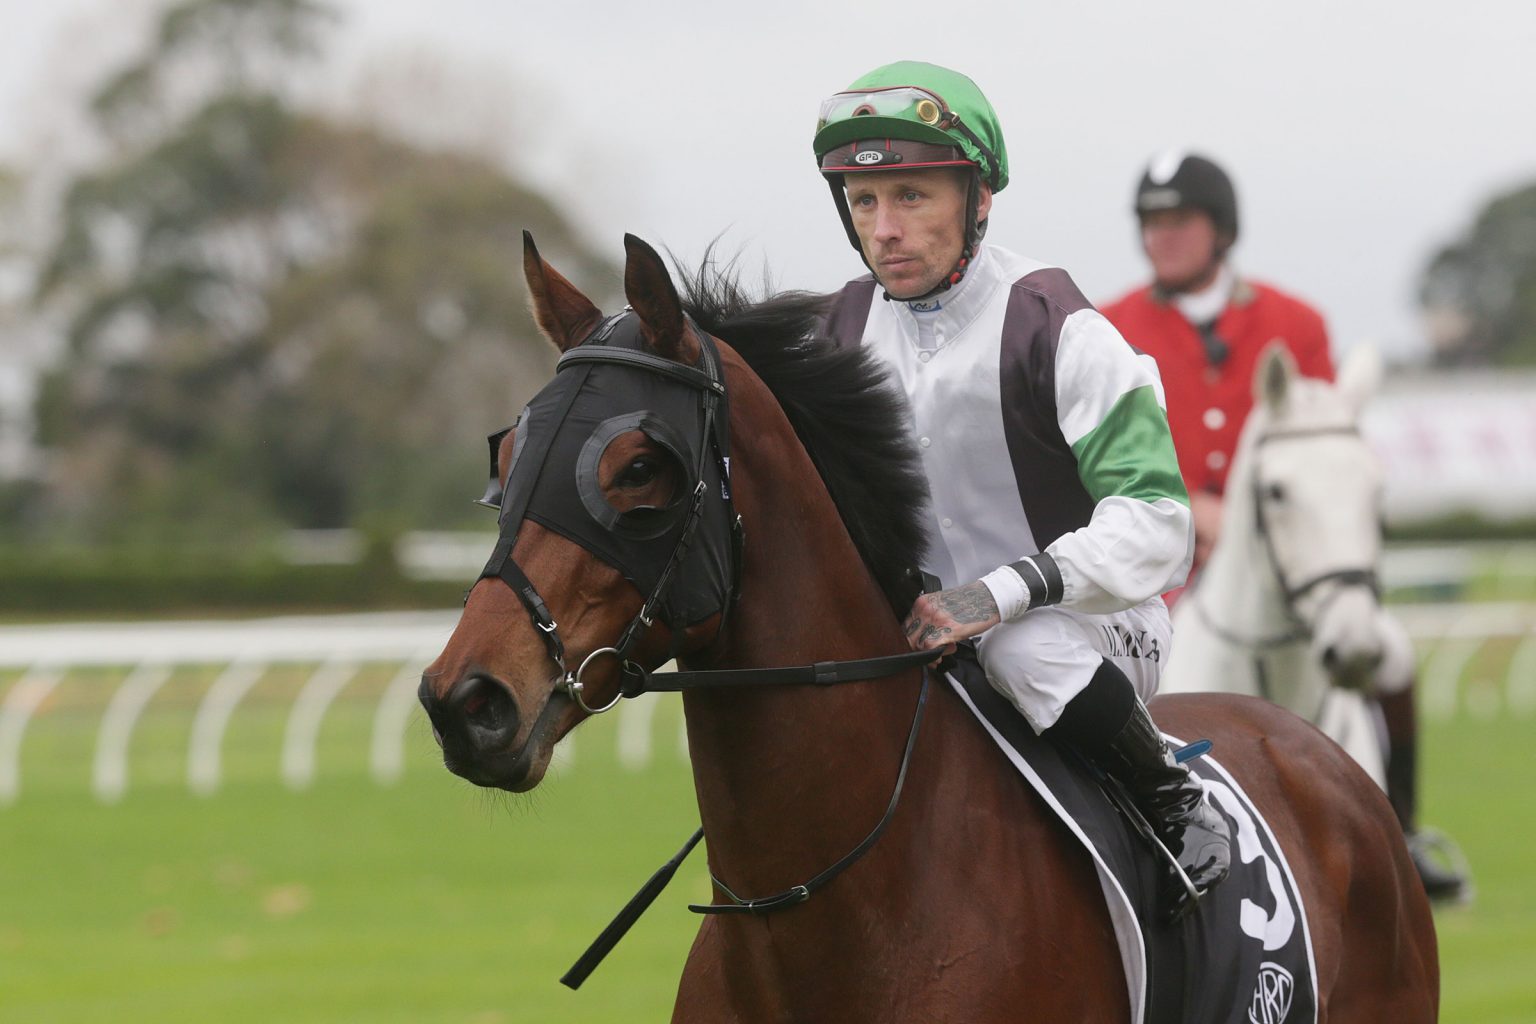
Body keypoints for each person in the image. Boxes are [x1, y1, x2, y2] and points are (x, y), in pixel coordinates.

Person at [811, 61, 1230, 919]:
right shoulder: (835, 335)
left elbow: (1159, 525)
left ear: (978, 199)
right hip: (920, 630)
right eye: (863, 203)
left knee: (1017, 646)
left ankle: (1173, 803)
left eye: (912, 198)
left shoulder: (1060, 326)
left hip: (1092, 628)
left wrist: (1000, 594)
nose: (884, 230)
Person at [1100, 151, 1469, 902]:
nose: (1162, 238)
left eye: (1180, 222)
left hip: (1286, 559)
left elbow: (1320, 442)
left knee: (1390, 658)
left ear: (1221, 230)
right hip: (1164, 565)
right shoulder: (1110, 326)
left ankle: (1402, 829)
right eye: (1152, 223)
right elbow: (1109, 449)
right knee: (1108, 675)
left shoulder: (1294, 324)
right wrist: (1187, 507)